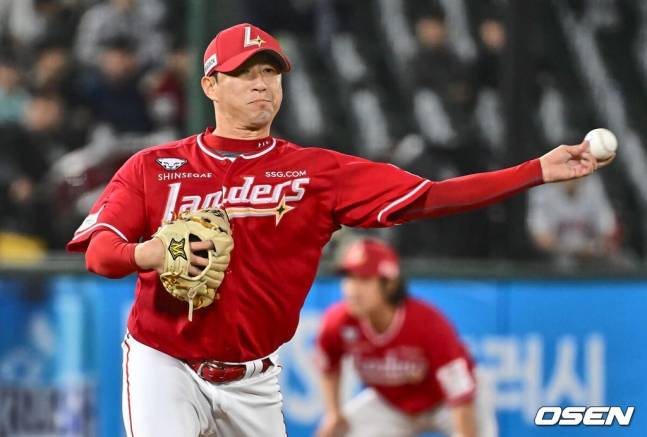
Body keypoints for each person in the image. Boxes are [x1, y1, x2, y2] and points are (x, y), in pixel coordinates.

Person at [66, 22, 612, 437]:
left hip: (254, 378)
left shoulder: (316, 173)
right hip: (164, 360)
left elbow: (430, 197)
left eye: (270, 73)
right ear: (210, 85)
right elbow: (100, 253)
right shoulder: (156, 167)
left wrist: (535, 171)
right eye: (244, 74)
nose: (261, 85)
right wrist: (149, 254)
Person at [315, 238, 497, 437]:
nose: (352, 289)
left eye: (364, 280)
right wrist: (333, 412)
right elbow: (328, 366)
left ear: (390, 284)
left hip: (445, 401)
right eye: (349, 278)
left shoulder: (425, 322)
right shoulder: (338, 321)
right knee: (338, 433)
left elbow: (459, 388)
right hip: (392, 405)